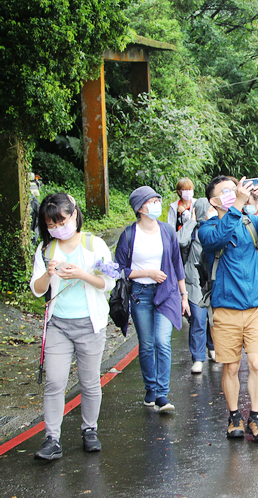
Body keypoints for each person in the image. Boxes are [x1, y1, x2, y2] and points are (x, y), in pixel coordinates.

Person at [199, 175, 258, 442]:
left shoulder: (252, 223)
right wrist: (237, 204)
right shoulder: (207, 228)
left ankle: (256, 417)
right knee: (231, 367)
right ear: (214, 201)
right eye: (226, 191)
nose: (234, 192)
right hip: (225, 309)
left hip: (256, 307)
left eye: (234, 189)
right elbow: (218, 239)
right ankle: (234, 415)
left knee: (257, 363)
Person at [30, 193, 116, 460]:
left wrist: (81, 274)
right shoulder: (46, 249)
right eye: (51, 225)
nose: (58, 228)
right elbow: (37, 289)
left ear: (74, 215)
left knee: (89, 382)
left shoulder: (94, 244)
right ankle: (52, 438)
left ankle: (89, 429)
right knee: (55, 382)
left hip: (90, 324)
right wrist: (49, 273)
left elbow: (109, 282)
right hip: (58, 325)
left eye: (62, 222)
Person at [115, 186, 189, 413]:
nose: (156, 204)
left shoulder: (167, 231)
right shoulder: (129, 235)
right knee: (147, 344)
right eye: (151, 201)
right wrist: (147, 272)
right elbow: (118, 269)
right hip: (140, 294)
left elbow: (177, 264)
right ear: (139, 208)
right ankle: (150, 388)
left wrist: (184, 295)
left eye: (158, 199)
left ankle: (162, 394)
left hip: (167, 292)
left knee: (162, 341)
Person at [177, 197, 214, 374]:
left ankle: (212, 347)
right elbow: (180, 241)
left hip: (213, 280)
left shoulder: (216, 228)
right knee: (198, 319)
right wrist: (191, 221)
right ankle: (198, 357)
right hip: (194, 282)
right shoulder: (191, 231)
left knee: (214, 318)